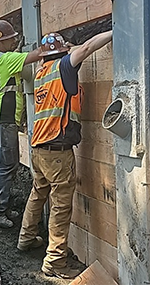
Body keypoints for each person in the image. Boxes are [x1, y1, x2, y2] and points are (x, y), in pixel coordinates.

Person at [17, 30, 113, 280]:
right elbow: (89, 46)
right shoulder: (64, 67)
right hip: (57, 151)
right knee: (60, 207)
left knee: (38, 193)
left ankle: (26, 238)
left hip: (38, 147)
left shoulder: (42, 72)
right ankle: (55, 261)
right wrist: (117, 28)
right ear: (63, 52)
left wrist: (66, 48)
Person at [0, 19, 44, 228]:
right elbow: (37, 55)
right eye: (10, 40)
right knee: (6, 166)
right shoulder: (5, 60)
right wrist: (56, 45)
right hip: (1, 121)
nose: (13, 42)